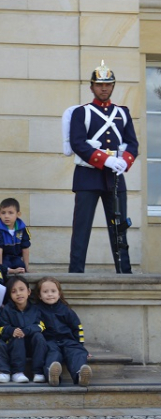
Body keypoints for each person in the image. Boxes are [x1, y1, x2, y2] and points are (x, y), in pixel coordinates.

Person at [68, 60, 139, 274]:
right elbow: (77, 143)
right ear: (92, 87)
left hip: (115, 178)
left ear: (113, 86)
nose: (104, 88)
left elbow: (133, 144)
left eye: (108, 84)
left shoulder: (123, 113)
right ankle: (76, 273)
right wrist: (104, 159)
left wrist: (123, 161)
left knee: (119, 230)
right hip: (87, 177)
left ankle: (124, 272)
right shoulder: (82, 112)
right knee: (82, 229)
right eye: (100, 84)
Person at [35, 277, 92, 387]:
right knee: (53, 355)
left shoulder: (66, 310)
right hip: (49, 341)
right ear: (39, 296)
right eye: (45, 292)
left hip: (68, 340)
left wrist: (80, 346)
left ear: (59, 294)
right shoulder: (37, 310)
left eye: (53, 291)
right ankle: (52, 375)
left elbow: (78, 328)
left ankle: (80, 375)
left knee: (77, 353)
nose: (50, 294)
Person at [0, 276, 47, 384]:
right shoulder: (7, 310)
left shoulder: (35, 309)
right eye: (14, 291)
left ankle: (38, 372)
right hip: (15, 347)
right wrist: (12, 331)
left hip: (32, 344)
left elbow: (41, 325)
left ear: (28, 292)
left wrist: (27, 330)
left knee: (39, 337)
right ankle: (17, 372)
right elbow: (0, 327)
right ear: (10, 295)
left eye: (21, 289)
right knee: (18, 337)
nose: (18, 293)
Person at [0, 198, 31, 275]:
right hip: (2, 257)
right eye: (3, 213)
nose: (6, 216)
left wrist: (27, 267)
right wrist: (0, 268)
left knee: (21, 266)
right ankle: (7, 270)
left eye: (10, 213)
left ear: (18, 214)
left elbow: (25, 248)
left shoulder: (22, 228)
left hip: (15, 257)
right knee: (4, 266)